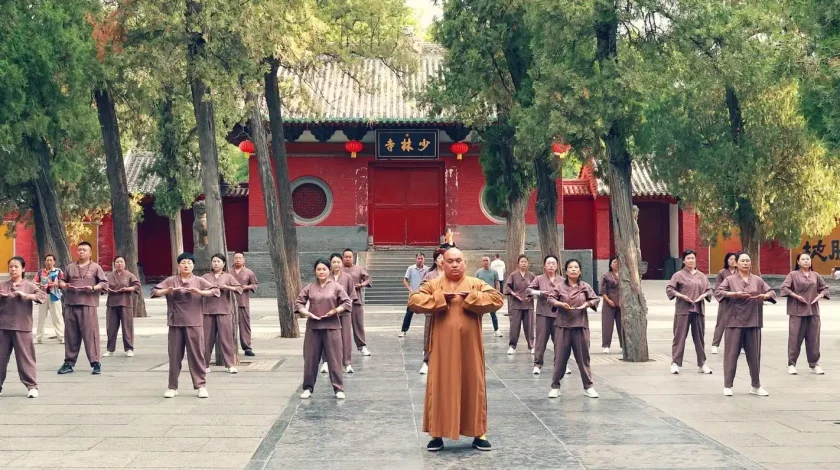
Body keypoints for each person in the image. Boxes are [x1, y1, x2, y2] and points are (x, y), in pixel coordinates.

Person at [408, 248, 504, 452]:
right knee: (440, 385)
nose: (454, 264)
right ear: (442, 264)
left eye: (458, 261)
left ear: (465, 263)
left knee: (473, 384)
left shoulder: (475, 283)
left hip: (471, 347)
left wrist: (472, 297)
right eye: (449, 261)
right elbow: (414, 301)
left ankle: (479, 433)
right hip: (442, 348)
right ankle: (436, 434)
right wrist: (440, 298)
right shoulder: (433, 284)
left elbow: (497, 299)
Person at [152, 252, 219, 398]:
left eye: (189, 262)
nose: (186, 265)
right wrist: (167, 290)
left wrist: (199, 291)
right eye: (183, 262)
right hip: (175, 322)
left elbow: (215, 291)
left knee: (196, 355)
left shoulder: (199, 281)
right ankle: (172, 386)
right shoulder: (171, 280)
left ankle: (201, 385)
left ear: (193, 265)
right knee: (174, 355)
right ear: (178, 265)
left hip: (194, 322)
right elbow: (155, 291)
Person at [714, 251, 775, 397]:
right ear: (736, 263)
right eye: (742, 261)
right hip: (734, 321)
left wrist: (765, 296)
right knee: (731, 354)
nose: (746, 263)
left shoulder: (757, 280)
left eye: (748, 260)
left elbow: (771, 292)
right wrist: (733, 294)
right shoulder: (729, 279)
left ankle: (756, 385)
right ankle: (728, 385)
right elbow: (718, 292)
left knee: (754, 356)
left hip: (753, 321)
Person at [295, 259, 353, 400]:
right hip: (313, 328)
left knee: (334, 359)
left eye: (324, 269)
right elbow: (298, 302)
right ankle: (308, 388)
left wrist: (335, 311)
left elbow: (347, 302)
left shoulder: (336, 287)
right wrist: (306, 312)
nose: (321, 272)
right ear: (315, 271)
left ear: (329, 270)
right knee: (310, 359)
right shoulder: (310, 287)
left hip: (332, 327)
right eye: (318, 269)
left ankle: (338, 388)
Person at [547, 259, 600, 399]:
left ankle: (588, 387)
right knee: (560, 358)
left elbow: (595, 299)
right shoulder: (559, 286)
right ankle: (555, 386)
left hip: (580, 326)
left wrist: (587, 304)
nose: (573, 269)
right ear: (565, 271)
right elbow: (550, 299)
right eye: (570, 267)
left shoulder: (585, 286)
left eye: (576, 267)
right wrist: (560, 304)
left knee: (583, 359)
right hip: (562, 327)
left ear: (580, 271)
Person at [57, 241, 107, 375]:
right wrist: (63, 285)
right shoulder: (70, 267)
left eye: (84, 250)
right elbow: (62, 280)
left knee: (91, 335)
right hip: (71, 304)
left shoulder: (96, 267)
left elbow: (103, 283)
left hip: (88, 305)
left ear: (90, 253)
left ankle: (95, 362)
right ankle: (69, 363)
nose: (81, 252)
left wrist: (93, 288)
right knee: (71, 335)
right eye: (79, 250)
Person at [0, 257, 47, 398]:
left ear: (23, 269)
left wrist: (26, 295)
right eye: (11, 267)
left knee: (25, 358)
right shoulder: (3, 284)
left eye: (16, 266)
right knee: (1, 358)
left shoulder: (29, 285)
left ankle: (32, 386)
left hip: (22, 327)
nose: (13, 269)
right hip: (3, 327)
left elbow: (42, 296)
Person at [666, 250, 713, 375]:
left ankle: (702, 363)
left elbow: (709, 290)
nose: (691, 260)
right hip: (683, 310)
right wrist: (681, 295)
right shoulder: (678, 275)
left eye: (693, 258)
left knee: (699, 338)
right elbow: (670, 289)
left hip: (698, 309)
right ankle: (675, 363)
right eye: (688, 258)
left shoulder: (701, 276)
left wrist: (703, 296)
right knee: (679, 337)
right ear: (683, 261)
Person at [781, 253, 829, 375]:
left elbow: (825, 287)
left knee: (813, 338)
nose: (806, 261)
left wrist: (820, 295)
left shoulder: (815, 275)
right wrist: (796, 296)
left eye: (808, 259)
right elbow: (785, 288)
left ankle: (814, 364)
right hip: (797, 311)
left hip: (813, 311)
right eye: (803, 259)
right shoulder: (793, 275)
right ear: (798, 262)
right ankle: (791, 364)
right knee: (795, 338)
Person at [201, 253, 242, 374]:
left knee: (226, 338)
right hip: (207, 311)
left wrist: (227, 287)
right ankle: (205, 364)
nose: (216, 263)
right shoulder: (205, 276)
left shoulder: (228, 277)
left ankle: (230, 364)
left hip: (224, 310)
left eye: (218, 261)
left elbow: (239, 289)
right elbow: (198, 289)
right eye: (213, 261)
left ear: (224, 264)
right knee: (206, 339)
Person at [320, 253, 358, 374]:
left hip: (344, 312)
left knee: (345, 338)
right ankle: (326, 362)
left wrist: (344, 306)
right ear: (330, 264)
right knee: (327, 337)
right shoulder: (326, 277)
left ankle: (347, 363)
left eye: (338, 262)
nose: (336, 264)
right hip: (329, 312)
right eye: (333, 262)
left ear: (341, 263)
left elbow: (352, 295)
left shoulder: (347, 278)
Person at [527, 255, 562, 375]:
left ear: (557, 266)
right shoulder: (539, 278)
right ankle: (537, 364)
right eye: (548, 263)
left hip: (558, 314)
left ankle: (561, 364)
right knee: (541, 341)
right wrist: (541, 292)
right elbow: (529, 290)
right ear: (544, 265)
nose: (551, 265)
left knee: (560, 341)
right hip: (543, 314)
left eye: (553, 263)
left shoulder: (562, 280)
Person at [104, 256, 141, 357]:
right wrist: (107, 289)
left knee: (127, 327)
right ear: (114, 264)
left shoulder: (129, 275)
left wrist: (128, 289)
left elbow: (137, 286)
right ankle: (110, 349)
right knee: (111, 327)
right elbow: (103, 286)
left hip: (125, 303)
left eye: (121, 262)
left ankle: (129, 348)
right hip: (112, 303)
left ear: (124, 264)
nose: (119, 263)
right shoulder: (109, 275)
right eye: (117, 262)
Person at [419, 249, 446, 375]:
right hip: (433, 309)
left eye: (444, 257)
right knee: (429, 335)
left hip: (447, 310)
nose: (442, 260)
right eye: (440, 258)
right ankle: (426, 361)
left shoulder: (450, 274)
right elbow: (422, 290)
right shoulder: (429, 275)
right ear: (435, 260)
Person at [342, 249, 372, 356]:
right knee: (341, 325)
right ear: (343, 257)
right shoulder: (338, 270)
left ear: (353, 257)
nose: (348, 258)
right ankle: (340, 347)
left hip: (356, 301)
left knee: (358, 324)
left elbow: (368, 279)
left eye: (350, 256)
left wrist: (362, 285)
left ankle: (361, 346)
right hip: (341, 302)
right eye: (346, 256)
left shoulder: (359, 269)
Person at [504, 255, 535, 355]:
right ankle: (512, 346)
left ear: (528, 263)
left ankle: (531, 346)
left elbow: (536, 288)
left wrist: (531, 296)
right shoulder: (513, 275)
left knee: (529, 327)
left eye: (525, 261)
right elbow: (507, 287)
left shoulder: (531, 276)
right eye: (522, 261)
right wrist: (514, 294)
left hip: (528, 305)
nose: (524, 263)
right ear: (518, 263)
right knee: (514, 327)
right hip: (516, 305)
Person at [231, 252, 259, 357]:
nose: (237, 260)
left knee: (245, 326)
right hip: (229, 303)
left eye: (240, 258)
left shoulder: (248, 272)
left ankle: (247, 347)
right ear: (233, 259)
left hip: (243, 302)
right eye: (236, 258)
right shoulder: (228, 272)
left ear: (244, 260)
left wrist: (247, 287)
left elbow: (255, 284)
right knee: (229, 326)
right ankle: (230, 347)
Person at [33, 254, 64, 344]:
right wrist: (39, 285)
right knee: (41, 318)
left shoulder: (58, 271)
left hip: (55, 296)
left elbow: (63, 282)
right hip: (43, 296)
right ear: (44, 261)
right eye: (47, 260)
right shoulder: (40, 272)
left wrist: (57, 284)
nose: (49, 262)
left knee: (57, 317)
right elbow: (34, 282)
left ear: (54, 261)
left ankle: (61, 336)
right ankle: (38, 338)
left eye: (51, 260)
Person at [711, 252, 738, 355]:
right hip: (726, 301)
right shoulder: (722, 273)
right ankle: (715, 344)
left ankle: (741, 346)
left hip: (738, 301)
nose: (732, 261)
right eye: (730, 259)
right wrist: (726, 294)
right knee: (721, 323)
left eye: (734, 259)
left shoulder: (740, 272)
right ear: (727, 261)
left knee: (739, 323)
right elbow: (718, 287)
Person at [398, 253, 427, 337]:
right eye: (419, 258)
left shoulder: (427, 269)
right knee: (409, 313)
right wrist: (411, 290)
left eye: (422, 258)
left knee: (428, 314)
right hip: (413, 295)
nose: (420, 260)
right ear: (416, 259)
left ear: (424, 259)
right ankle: (403, 330)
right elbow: (405, 280)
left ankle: (431, 331)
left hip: (424, 295)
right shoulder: (411, 268)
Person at [474, 255, 503, 338]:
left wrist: (498, 292)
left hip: (491, 295)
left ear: (489, 261)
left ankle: (496, 330)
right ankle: (477, 330)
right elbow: (475, 284)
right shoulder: (478, 272)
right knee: (480, 314)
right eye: (484, 260)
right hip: (482, 296)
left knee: (493, 314)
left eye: (487, 260)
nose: (485, 262)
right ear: (481, 262)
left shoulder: (494, 272)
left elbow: (496, 283)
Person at [599, 256, 623, 354]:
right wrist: (608, 300)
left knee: (622, 325)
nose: (616, 264)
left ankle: (623, 345)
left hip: (621, 303)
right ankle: (606, 345)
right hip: (608, 303)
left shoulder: (624, 275)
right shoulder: (606, 275)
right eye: (614, 262)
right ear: (610, 264)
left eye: (618, 262)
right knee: (607, 325)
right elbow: (602, 290)